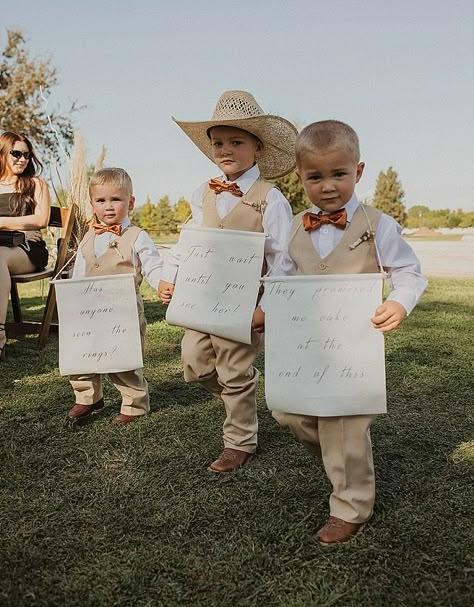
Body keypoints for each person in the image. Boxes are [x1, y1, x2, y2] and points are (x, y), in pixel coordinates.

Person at [258, 120, 427, 545]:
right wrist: (263, 312)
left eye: (339, 174)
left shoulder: (376, 224)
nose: (328, 186)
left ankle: (351, 504)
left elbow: (407, 272)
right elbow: (280, 278)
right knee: (288, 412)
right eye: (316, 176)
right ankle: (344, 461)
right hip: (303, 346)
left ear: (359, 170)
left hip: (354, 351)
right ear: (300, 177)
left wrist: (399, 302)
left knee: (346, 425)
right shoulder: (295, 226)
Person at [158, 90, 297, 472]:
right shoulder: (202, 191)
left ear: (257, 147)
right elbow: (191, 239)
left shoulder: (271, 199)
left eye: (236, 142)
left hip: (243, 300)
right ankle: (241, 396)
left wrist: (266, 307)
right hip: (201, 296)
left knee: (234, 368)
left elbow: (282, 258)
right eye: (218, 142)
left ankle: (239, 440)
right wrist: (170, 275)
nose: (225, 149)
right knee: (196, 363)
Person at [66, 167, 163, 425]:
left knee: (124, 358)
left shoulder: (137, 236)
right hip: (89, 310)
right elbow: (79, 269)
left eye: (116, 199)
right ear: (92, 204)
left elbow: (152, 265)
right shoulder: (88, 236)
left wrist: (162, 284)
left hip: (124, 311)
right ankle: (87, 397)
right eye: (101, 200)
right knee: (81, 354)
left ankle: (134, 405)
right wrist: (73, 296)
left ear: (130, 202)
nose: (108, 207)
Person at [0, 132, 50, 361]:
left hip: (28, 249)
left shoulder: (35, 183)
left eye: (27, 155)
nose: (22, 159)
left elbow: (41, 219)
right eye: (16, 153)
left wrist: (2, 222)